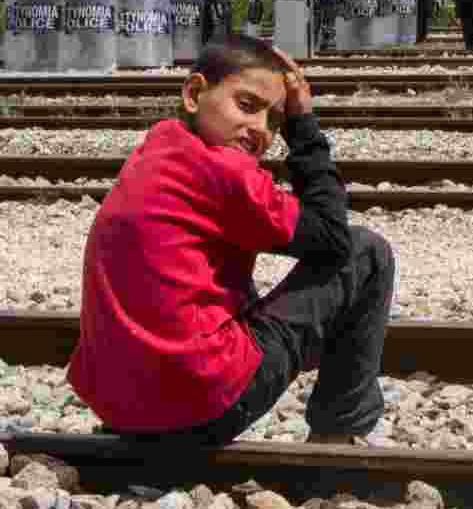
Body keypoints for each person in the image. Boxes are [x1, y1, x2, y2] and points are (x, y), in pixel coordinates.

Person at [68, 35, 397, 447]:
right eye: (246, 105)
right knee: (367, 252)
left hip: (120, 408)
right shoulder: (224, 173)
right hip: (200, 408)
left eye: (274, 120)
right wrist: (302, 124)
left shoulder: (157, 150)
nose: (260, 128)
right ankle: (340, 431)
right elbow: (332, 236)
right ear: (194, 94)